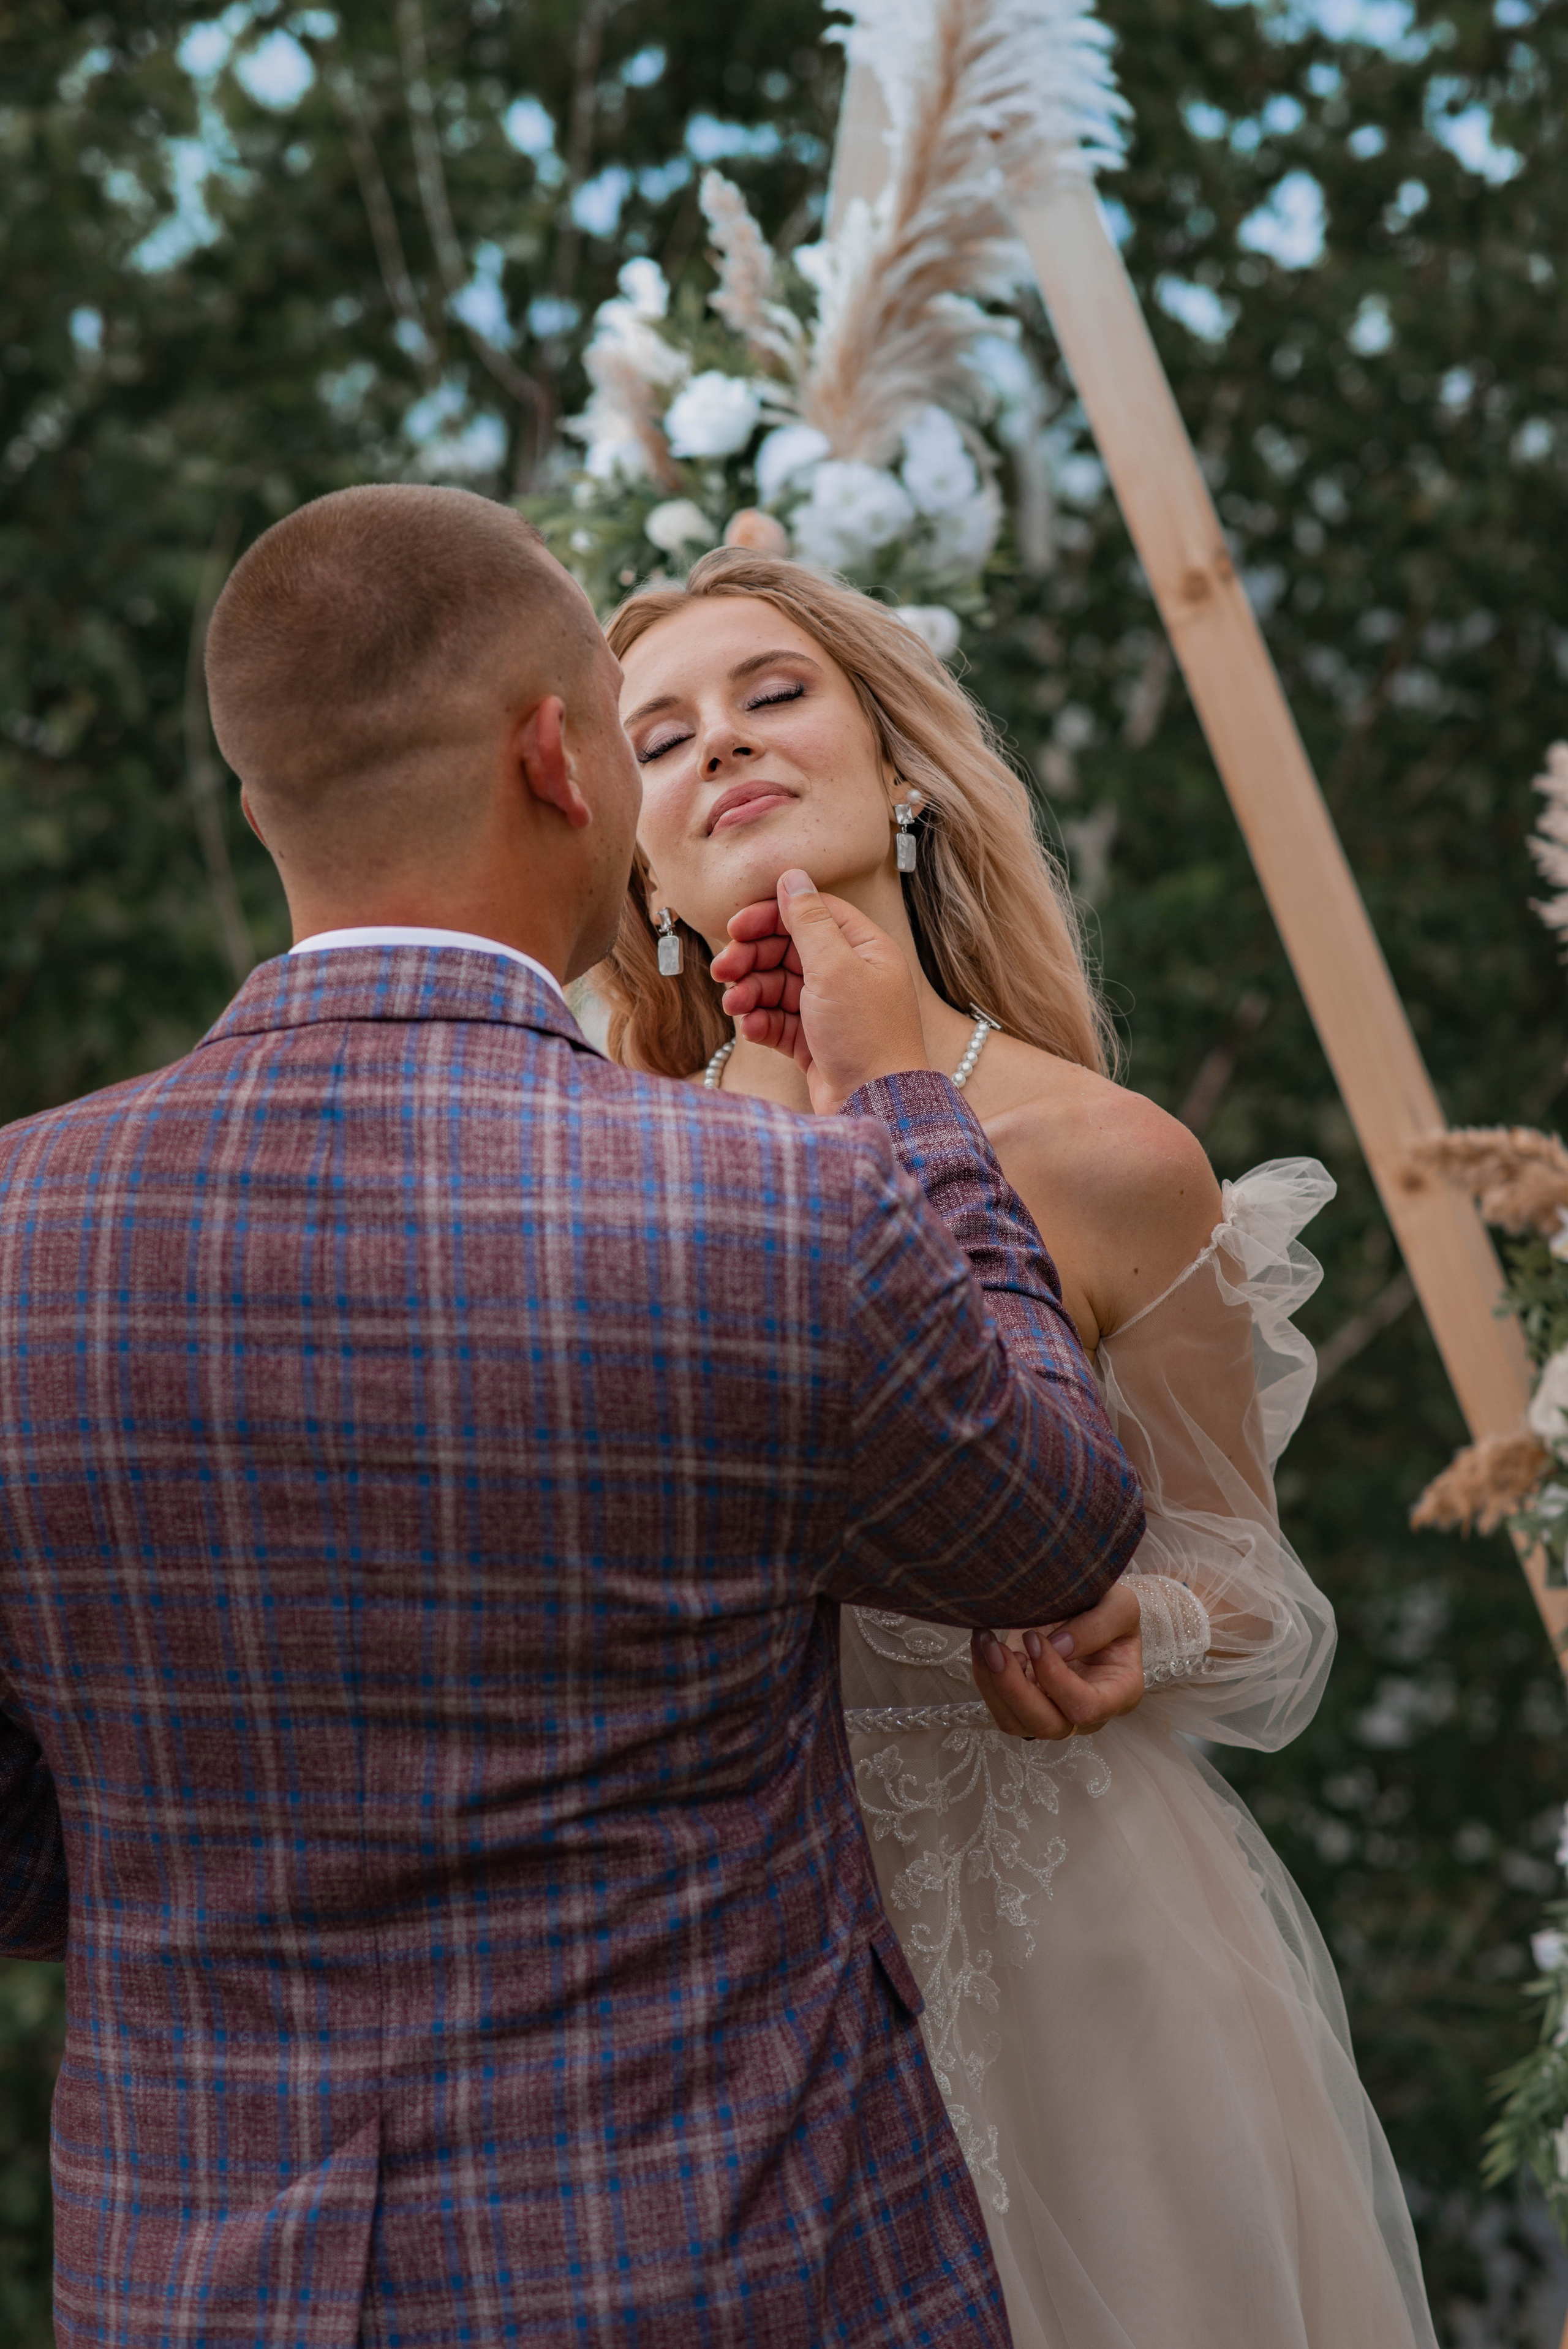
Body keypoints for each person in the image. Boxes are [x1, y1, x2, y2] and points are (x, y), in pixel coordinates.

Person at [0, 485, 1147, 2349]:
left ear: (262, 802)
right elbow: (1057, 1521)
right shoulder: (772, 1201)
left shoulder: (17, 1234)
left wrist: (198, 1863)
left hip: (200, 2288)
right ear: (562, 758)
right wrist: (907, 1123)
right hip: (730, 2269)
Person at [599, 546, 1440, 2349]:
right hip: (750, 1980)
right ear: (639, 862)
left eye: (772, 693)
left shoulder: (1112, 1153)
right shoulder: (602, 1179)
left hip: (1092, 1956)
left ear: (899, 770)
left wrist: (1149, 1630)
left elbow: (1248, 1575)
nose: (723, 747)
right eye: (657, 738)